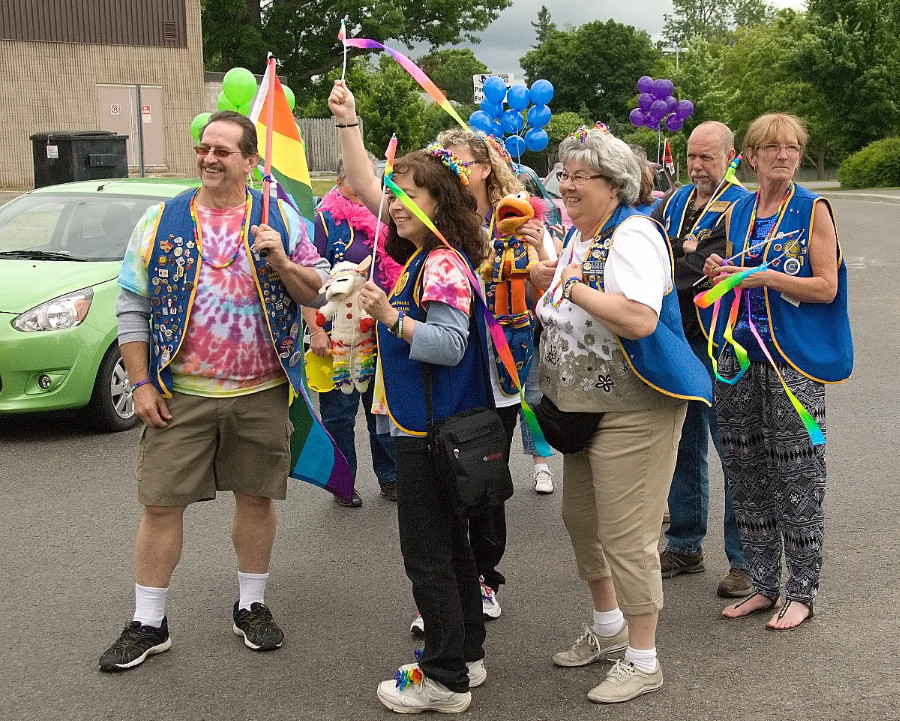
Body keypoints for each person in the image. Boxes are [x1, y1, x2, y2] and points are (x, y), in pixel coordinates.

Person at [98, 110, 329, 672]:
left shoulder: (283, 219)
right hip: (182, 391)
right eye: (205, 148)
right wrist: (141, 381)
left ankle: (251, 606)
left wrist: (279, 260)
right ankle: (148, 622)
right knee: (160, 504)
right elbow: (133, 305)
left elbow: (316, 291)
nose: (210, 158)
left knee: (256, 499)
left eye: (224, 150)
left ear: (251, 162)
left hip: (262, 390)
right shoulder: (162, 219)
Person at [328, 79, 556, 625]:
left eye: (455, 156)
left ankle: (478, 582)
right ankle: (454, 601)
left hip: (496, 373)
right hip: (442, 383)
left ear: (483, 166)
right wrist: (348, 123)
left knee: (479, 485)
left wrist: (538, 268)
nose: (445, 161)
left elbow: (543, 290)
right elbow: (369, 186)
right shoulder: (425, 234)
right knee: (440, 499)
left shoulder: (513, 219)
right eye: (440, 155)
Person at [530, 123, 710, 704]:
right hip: (583, 405)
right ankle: (608, 631)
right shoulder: (581, 237)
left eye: (582, 177)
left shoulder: (631, 234)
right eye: (565, 175)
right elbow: (564, 300)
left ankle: (644, 659)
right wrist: (549, 275)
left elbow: (637, 319)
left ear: (616, 184)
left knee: (627, 535)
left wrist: (574, 288)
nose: (569, 185)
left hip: (635, 404)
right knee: (582, 521)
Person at [357, 147, 493, 713]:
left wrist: (391, 318)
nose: (394, 206)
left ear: (441, 200)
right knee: (452, 548)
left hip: (433, 433)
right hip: (431, 428)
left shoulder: (439, 263)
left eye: (409, 195)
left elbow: (449, 344)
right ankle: (467, 654)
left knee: (428, 554)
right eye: (393, 195)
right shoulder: (427, 258)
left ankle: (444, 678)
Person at [703, 113, 852, 630]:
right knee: (745, 470)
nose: (784, 155)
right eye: (772, 148)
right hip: (738, 355)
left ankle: (802, 591)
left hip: (790, 359)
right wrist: (724, 272)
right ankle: (764, 583)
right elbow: (739, 272)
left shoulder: (813, 208)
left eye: (792, 147)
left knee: (797, 474)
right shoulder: (740, 210)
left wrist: (765, 278)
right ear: (751, 155)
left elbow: (827, 286)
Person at [651, 121, 753, 598]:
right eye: (692, 156)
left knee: (733, 452)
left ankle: (746, 559)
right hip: (678, 342)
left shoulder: (742, 207)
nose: (696, 166)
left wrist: (685, 260)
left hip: (722, 344)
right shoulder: (670, 203)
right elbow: (655, 258)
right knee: (682, 447)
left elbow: (719, 271)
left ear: (730, 157)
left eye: (707, 158)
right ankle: (686, 543)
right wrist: (684, 256)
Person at [303, 158, 401, 507]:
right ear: (342, 179)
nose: (366, 186)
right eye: (360, 179)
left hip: (377, 331)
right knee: (339, 414)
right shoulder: (325, 221)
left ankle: (390, 479)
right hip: (336, 332)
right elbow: (307, 280)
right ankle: (343, 482)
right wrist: (316, 332)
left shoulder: (383, 215)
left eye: (372, 180)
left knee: (380, 411)